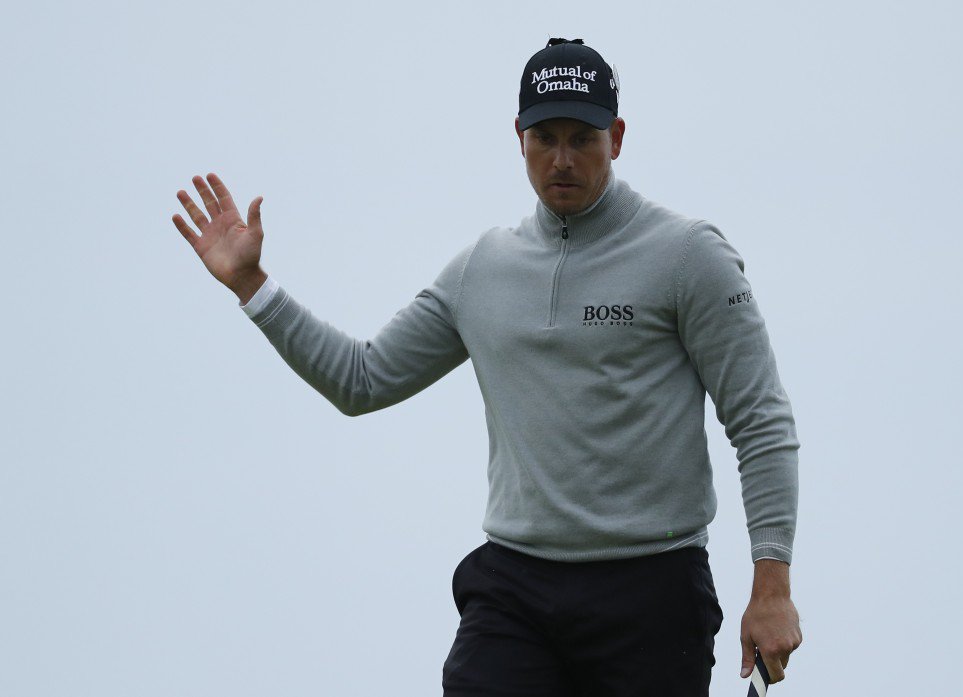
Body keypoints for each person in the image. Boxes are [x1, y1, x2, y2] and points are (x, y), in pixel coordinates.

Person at [172, 37, 801, 697]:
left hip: (652, 590)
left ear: (616, 137)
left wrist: (772, 587)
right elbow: (362, 380)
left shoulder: (687, 255)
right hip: (516, 589)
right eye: (544, 137)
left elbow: (759, 421)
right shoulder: (483, 269)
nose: (562, 159)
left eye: (582, 138)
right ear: (518, 137)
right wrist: (254, 288)